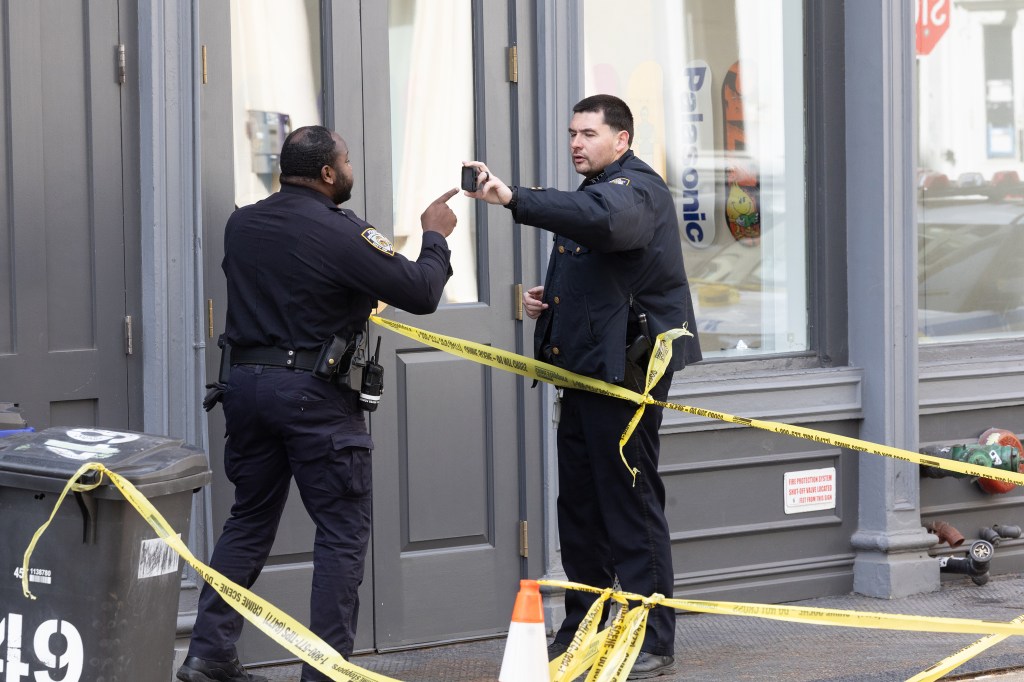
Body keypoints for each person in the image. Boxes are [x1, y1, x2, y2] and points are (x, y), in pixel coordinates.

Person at [177, 125, 458, 682]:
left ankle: (208, 654)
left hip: (245, 389)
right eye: (348, 161)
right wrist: (435, 235)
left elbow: (296, 285)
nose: (351, 169)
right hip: (313, 399)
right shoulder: (340, 232)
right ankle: (325, 673)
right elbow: (422, 292)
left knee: (249, 520)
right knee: (340, 532)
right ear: (329, 174)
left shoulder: (244, 222)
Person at [464, 94, 701, 679]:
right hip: (587, 373)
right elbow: (598, 264)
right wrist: (549, 303)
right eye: (572, 132)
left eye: (589, 134)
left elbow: (606, 225)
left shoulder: (636, 189)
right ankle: (583, 626)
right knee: (581, 508)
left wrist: (513, 197)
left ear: (621, 140)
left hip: (628, 375)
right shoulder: (598, 187)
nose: (576, 143)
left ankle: (652, 636)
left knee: (630, 504)